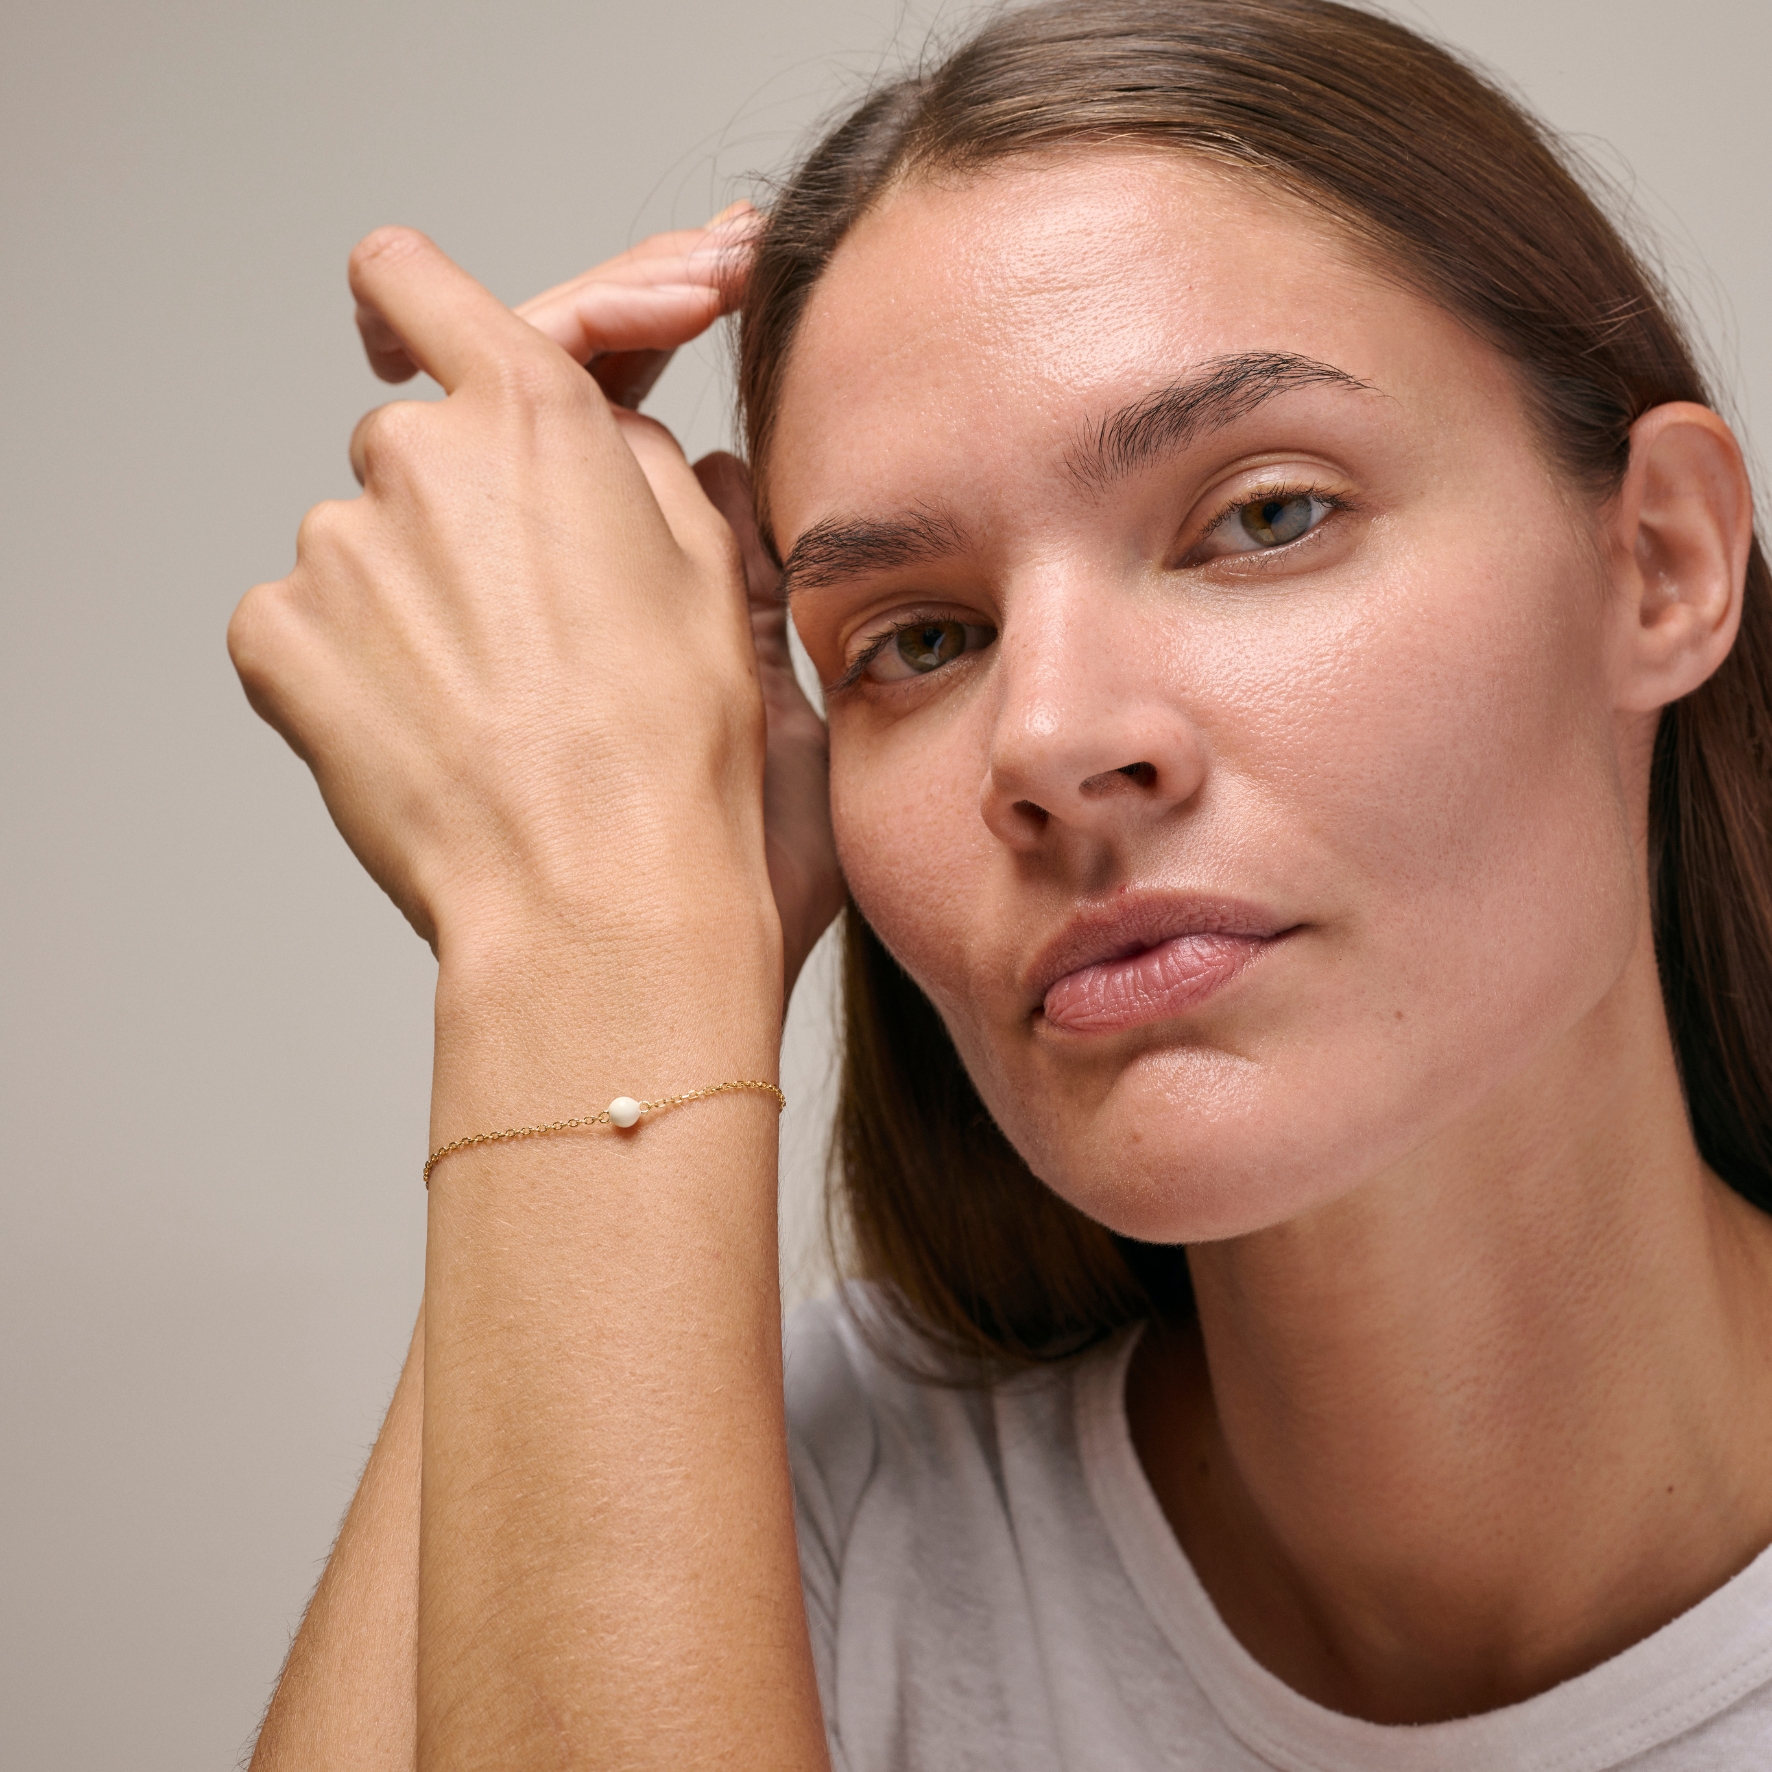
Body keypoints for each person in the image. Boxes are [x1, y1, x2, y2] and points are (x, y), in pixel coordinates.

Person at [229, 0, 1772, 1764]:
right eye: (922, 638)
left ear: (1659, 562)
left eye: (1264, 516)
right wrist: (590, 891)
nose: (1041, 739)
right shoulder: (811, 1496)